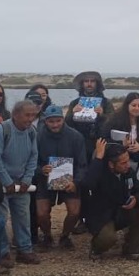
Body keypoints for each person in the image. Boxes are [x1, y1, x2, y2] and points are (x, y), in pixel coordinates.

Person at [0, 99, 41, 265]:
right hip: (0, 183)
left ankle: (25, 249)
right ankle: (2, 252)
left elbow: (33, 156)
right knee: (0, 218)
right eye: (27, 115)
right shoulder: (2, 130)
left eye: (33, 115)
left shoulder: (32, 132)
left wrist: (27, 179)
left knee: (23, 217)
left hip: (21, 182)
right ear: (16, 115)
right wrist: (6, 181)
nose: (30, 119)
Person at [81, 139, 139, 261]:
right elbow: (87, 184)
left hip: (121, 211)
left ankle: (131, 248)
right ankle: (97, 247)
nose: (127, 165)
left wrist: (136, 199)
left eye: (128, 160)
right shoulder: (100, 173)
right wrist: (98, 158)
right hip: (102, 216)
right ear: (111, 164)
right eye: (123, 163)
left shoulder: (128, 172)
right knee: (108, 238)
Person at [34, 105, 88, 249]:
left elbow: (82, 165)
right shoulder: (37, 136)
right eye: (51, 121)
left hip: (69, 180)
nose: (55, 124)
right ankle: (47, 236)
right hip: (45, 180)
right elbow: (30, 162)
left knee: (75, 211)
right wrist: (40, 170)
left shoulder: (76, 136)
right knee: (41, 213)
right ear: (45, 121)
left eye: (58, 120)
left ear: (63, 120)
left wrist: (76, 182)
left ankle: (65, 236)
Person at [66, 71, 115, 159]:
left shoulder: (106, 103)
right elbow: (66, 124)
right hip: (80, 144)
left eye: (92, 81)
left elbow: (114, 123)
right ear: (82, 84)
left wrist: (102, 115)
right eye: (86, 81)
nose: (89, 84)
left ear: (97, 84)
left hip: (101, 144)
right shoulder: (74, 103)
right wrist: (73, 113)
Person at [101, 92, 139, 165]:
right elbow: (104, 140)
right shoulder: (114, 121)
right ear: (127, 106)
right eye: (134, 105)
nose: (137, 108)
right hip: (117, 164)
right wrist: (122, 144)